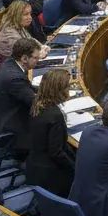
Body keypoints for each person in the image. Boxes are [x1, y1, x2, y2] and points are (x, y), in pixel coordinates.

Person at [25, 69, 74, 197]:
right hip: (51, 176)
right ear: (59, 90)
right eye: (67, 86)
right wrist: (74, 167)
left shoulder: (37, 103)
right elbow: (56, 152)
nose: (69, 89)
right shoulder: (55, 115)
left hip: (34, 166)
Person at [0, 38, 40, 152]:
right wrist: (56, 96)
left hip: (2, 113)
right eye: (35, 58)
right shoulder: (15, 78)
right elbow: (36, 103)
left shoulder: (11, 63)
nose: (38, 60)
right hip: (8, 124)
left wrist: (45, 89)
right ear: (24, 58)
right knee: (49, 123)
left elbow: (27, 88)